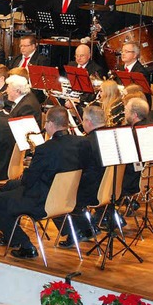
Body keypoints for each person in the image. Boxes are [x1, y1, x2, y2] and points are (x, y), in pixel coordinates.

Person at [0, 106, 88, 259]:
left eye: (46, 123)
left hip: (42, 201)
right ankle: (10, 234)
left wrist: (28, 168)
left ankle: (25, 246)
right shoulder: (81, 143)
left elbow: (28, 181)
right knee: (8, 187)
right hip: (66, 196)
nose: (45, 126)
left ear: (52, 124)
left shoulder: (45, 149)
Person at [54, 105, 105, 247]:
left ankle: (74, 232)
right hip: (107, 187)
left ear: (88, 122)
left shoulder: (86, 142)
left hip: (92, 190)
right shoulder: (110, 136)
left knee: (54, 192)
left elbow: (75, 168)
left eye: (83, 120)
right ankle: (89, 227)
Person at [122, 98, 153, 198]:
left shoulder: (131, 134)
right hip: (149, 177)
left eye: (126, 110)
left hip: (131, 182)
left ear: (134, 115)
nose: (124, 112)